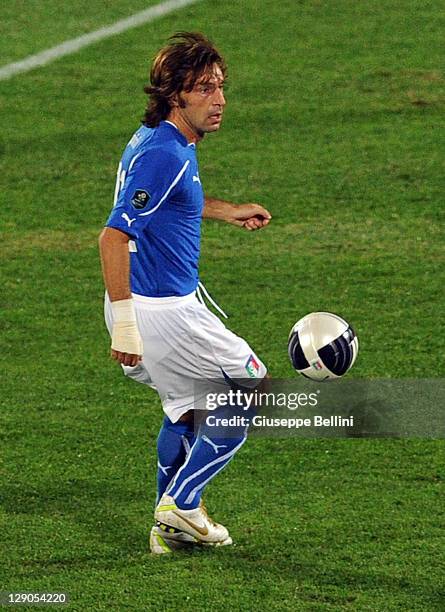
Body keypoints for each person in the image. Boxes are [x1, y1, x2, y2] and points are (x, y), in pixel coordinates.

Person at [99, 32, 271, 554]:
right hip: (160, 312)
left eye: (221, 86)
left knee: (185, 409)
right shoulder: (166, 154)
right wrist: (128, 325)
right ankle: (182, 504)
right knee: (250, 392)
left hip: (151, 306)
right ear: (176, 94)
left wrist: (227, 209)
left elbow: (172, 204)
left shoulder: (157, 140)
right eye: (204, 88)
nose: (218, 99)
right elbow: (113, 236)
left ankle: (166, 531)